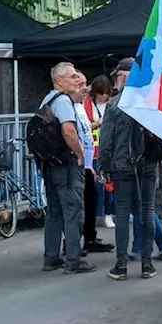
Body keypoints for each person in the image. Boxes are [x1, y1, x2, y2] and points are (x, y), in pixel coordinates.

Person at [102, 57, 162, 281]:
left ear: (123, 77)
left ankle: (121, 266)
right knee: (146, 211)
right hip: (147, 164)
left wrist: (104, 165)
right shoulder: (150, 101)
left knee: (122, 213)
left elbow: (106, 139)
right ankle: (147, 265)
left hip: (121, 165)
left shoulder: (113, 104)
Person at [39, 62, 96, 275]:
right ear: (60, 81)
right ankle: (74, 261)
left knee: (54, 211)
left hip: (52, 165)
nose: (77, 79)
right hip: (67, 163)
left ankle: (51, 257)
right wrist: (80, 153)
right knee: (72, 211)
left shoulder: (48, 99)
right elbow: (68, 131)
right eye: (72, 77)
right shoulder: (63, 101)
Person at [74, 72, 113, 254]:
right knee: (83, 201)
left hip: (91, 157)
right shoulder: (79, 105)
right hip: (86, 158)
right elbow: (76, 129)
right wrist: (97, 124)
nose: (85, 89)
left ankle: (89, 236)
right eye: (81, 85)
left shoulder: (81, 104)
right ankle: (77, 241)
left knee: (94, 196)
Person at [84, 74, 115, 228]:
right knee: (96, 185)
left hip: (110, 151)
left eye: (106, 93)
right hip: (94, 151)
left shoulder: (113, 104)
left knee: (109, 185)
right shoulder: (86, 104)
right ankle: (97, 215)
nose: (104, 96)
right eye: (100, 93)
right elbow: (83, 126)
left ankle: (109, 214)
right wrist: (98, 123)